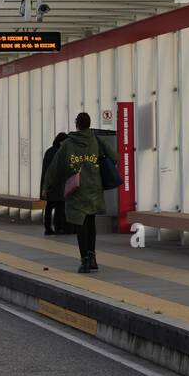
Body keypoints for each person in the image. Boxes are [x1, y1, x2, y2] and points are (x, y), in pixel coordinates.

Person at [44, 113, 117, 273]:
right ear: (89, 124)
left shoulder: (68, 144)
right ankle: (92, 258)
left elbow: (55, 166)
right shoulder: (96, 140)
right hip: (94, 189)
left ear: (77, 125)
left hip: (76, 190)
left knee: (80, 224)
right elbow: (115, 156)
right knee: (90, 222)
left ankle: (84, 261)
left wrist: (46, 185)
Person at [40, 132, 69, 236]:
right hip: (58, 184)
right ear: (62, 142)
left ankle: (47, 228)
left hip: (48, 184)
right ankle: (58, 227)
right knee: (59, 206)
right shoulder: (60, 152)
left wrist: (45, 186)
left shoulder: (49, 151)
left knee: (49, 206)